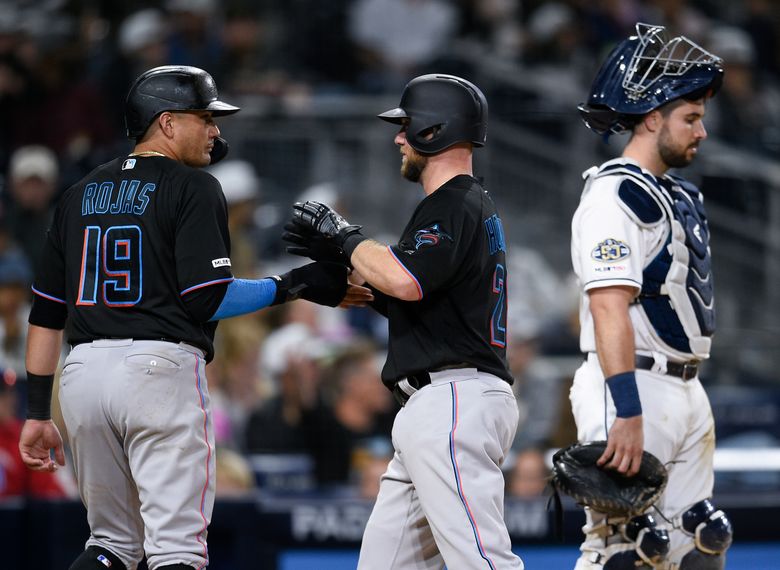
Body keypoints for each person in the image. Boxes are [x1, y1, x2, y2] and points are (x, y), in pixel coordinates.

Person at [17, 65, 371, 570]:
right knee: (176, 549)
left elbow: (47, 313)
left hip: (82, 375)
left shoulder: (77, 195)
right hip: (156, 371)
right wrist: (294, 284)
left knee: (110, 545)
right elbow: (208, 297)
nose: (215, 129)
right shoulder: (193, 187)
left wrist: (35, 410)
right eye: (204, 117)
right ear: (166, 123)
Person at [285, 73, 523, 569]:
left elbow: (408, 280)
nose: (397, 137)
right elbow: (422, 300)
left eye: (406, 125)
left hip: (453, 403)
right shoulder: (464, 204)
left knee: (485, 564)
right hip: (440, 404)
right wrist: (352, 281)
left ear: (433, 130)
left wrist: (345, 237)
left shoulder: (454, 201)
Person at [571, 23, 733, 569]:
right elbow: (607, 304)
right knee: (623, 551)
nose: (701, 131)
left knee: (699, 546)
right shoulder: (615, 193)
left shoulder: (674, 193)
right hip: (632, 384)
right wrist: (627, 408)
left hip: (684, 387)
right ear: (650, 118)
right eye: (690, 118)